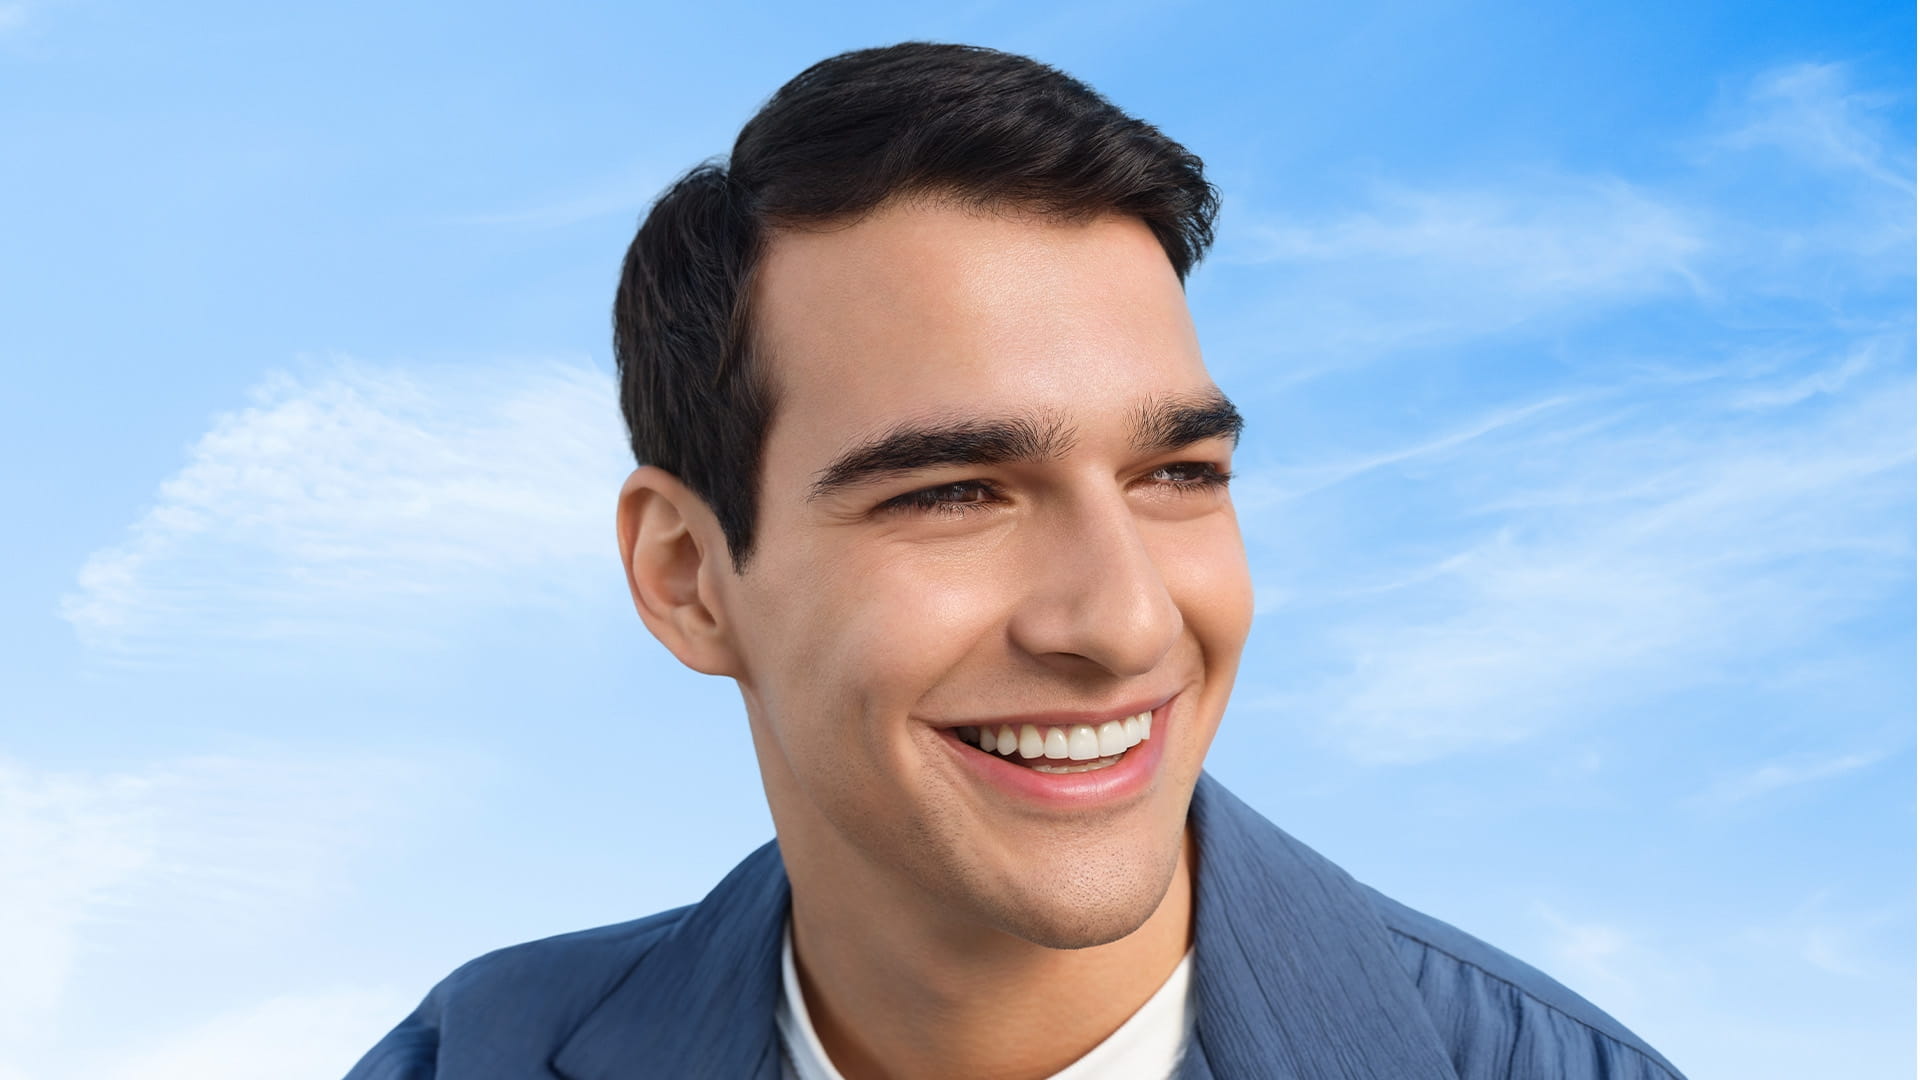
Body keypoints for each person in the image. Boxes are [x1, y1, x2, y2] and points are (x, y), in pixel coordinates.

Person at [347, 42, 1688, 1080]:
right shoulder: (476, 1054)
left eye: (1178, 477)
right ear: (689, 575)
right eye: (956, 492)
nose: (1123, 621)